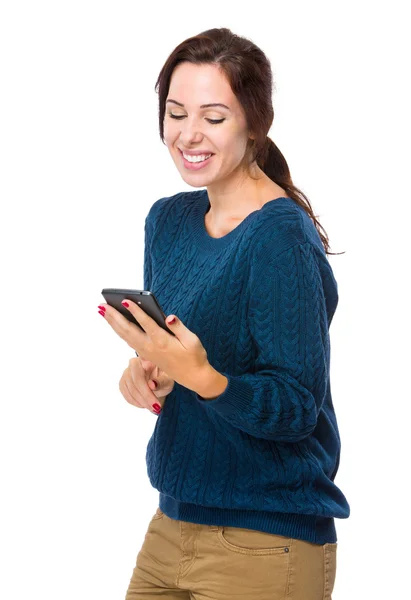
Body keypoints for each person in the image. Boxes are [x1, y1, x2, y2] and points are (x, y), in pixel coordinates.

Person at [97, 27, 350, 600]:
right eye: (175, 113)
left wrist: (204, 377)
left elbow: (295, 408)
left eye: (213, 117)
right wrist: (147, 373)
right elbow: (171, 355)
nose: (189, 134)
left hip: (266, 543)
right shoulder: (168, 222)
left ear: (255, 123)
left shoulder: (280, 238)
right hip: (171, 525)